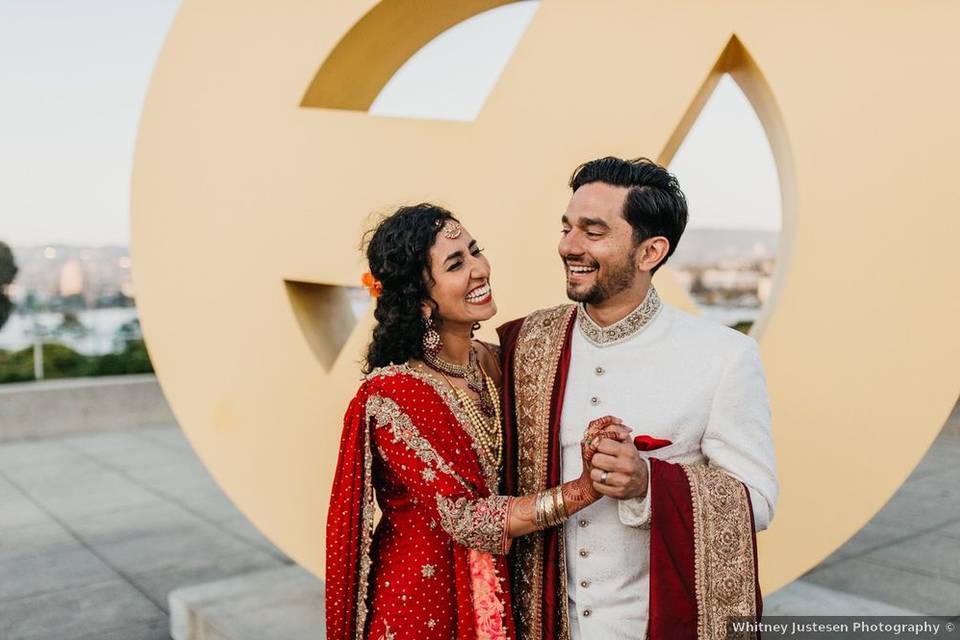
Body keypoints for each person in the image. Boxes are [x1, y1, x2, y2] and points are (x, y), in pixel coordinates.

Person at [497, 157, 779, 640]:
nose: (569, 246)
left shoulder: (723, 357)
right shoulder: (524, 343)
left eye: (593, 231)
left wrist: (649, 483)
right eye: (567, 228)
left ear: (650, 251)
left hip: (651, 625)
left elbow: (758, 500)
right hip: (535, 623)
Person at [326, 203, 631, 640]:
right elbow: (466, 517)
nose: (479, 269)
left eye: (475, 251)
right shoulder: (393, 396)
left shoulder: (493, 361)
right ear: (420, 299)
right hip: (423, 606)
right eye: (455, 263)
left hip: (493, 585)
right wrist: (582, 490)